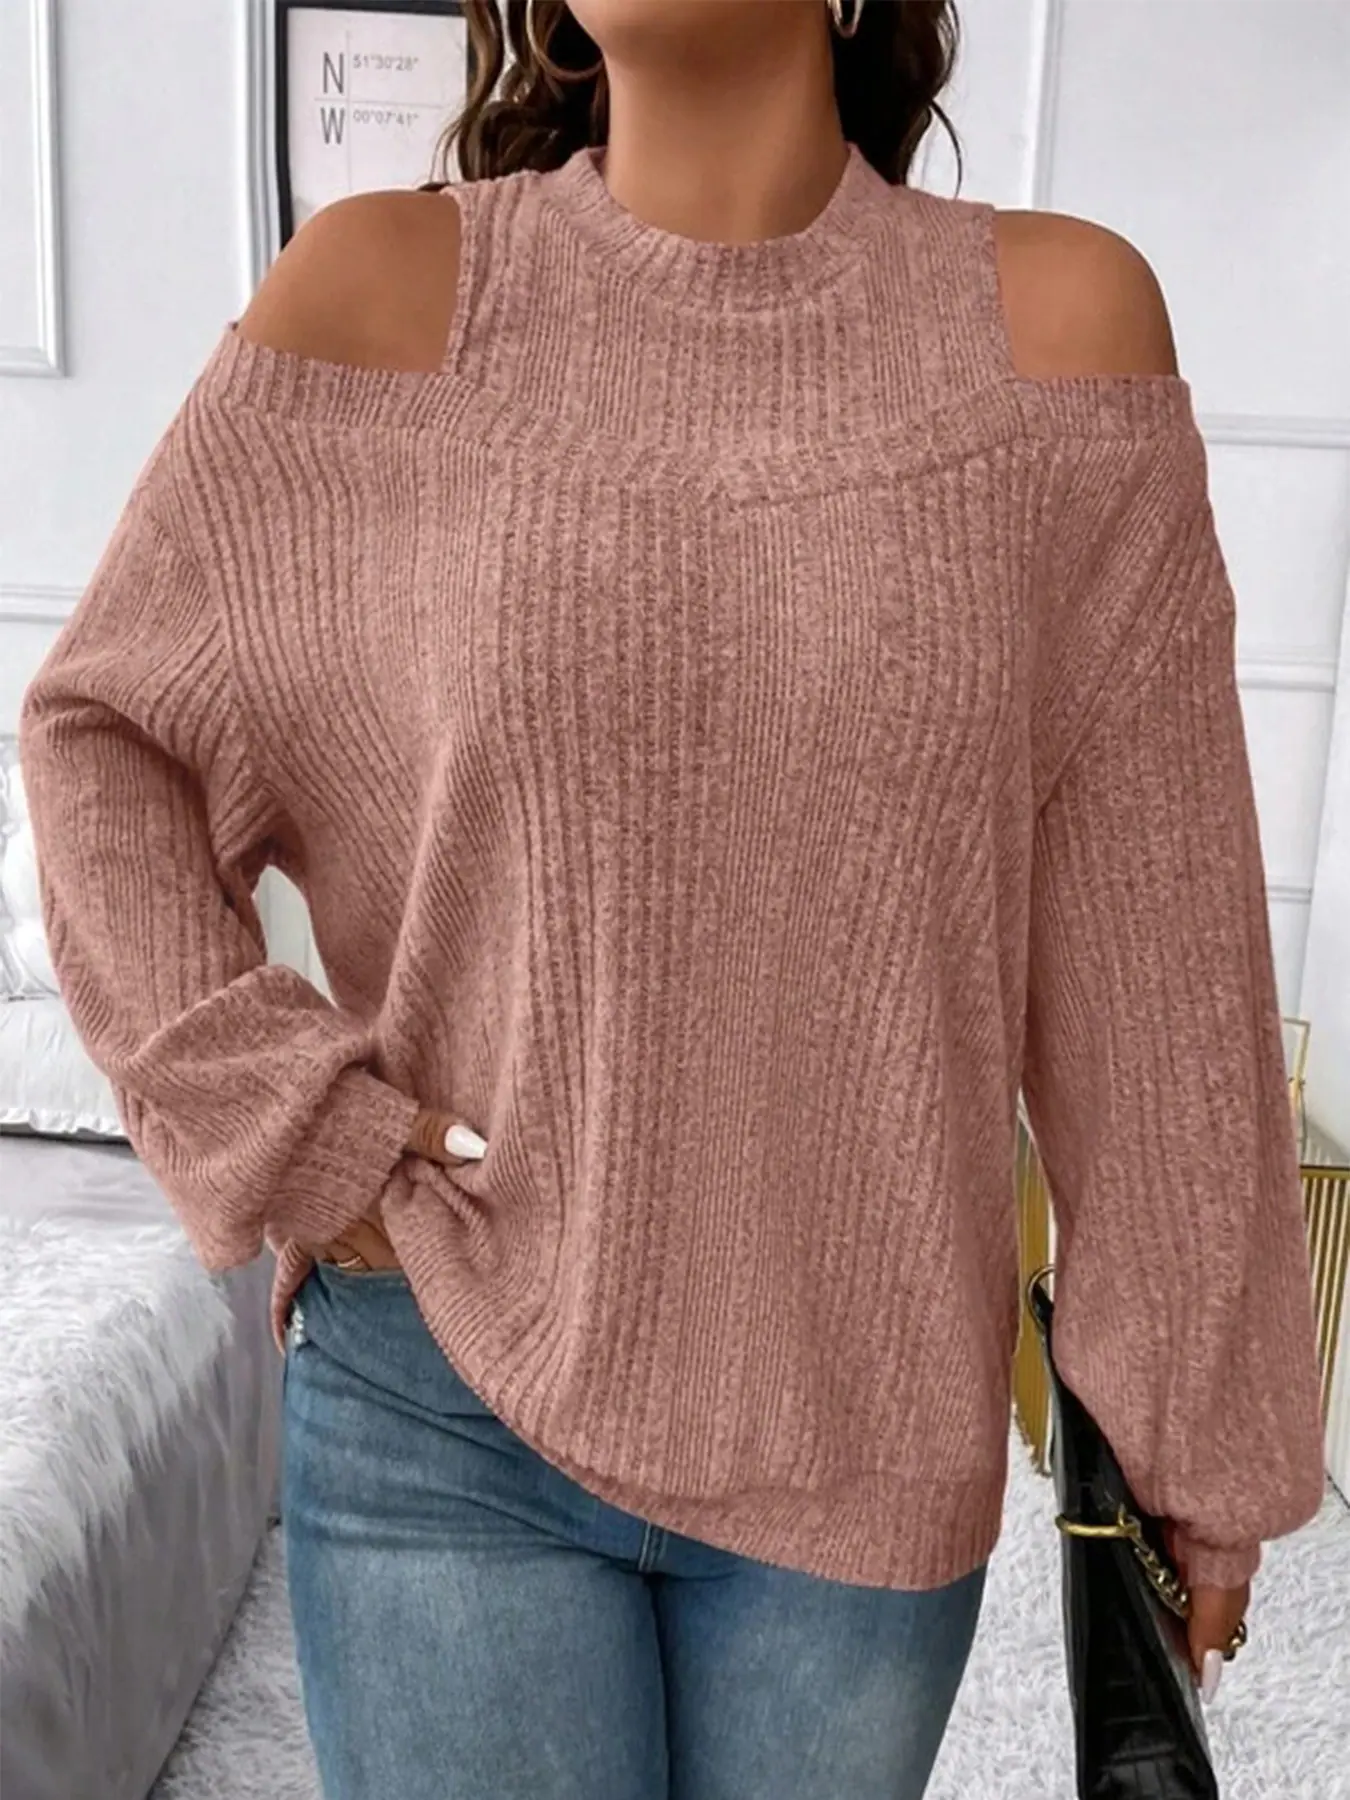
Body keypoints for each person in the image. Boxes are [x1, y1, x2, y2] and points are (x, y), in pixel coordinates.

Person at [18, 1, 1328, 1795]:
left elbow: (1156, 958)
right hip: (443, 1394)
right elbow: (104, 739)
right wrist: (298, 1134)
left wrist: (1193, 1437)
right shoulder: (380, 300)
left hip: (866, 1426)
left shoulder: (1057, 338)